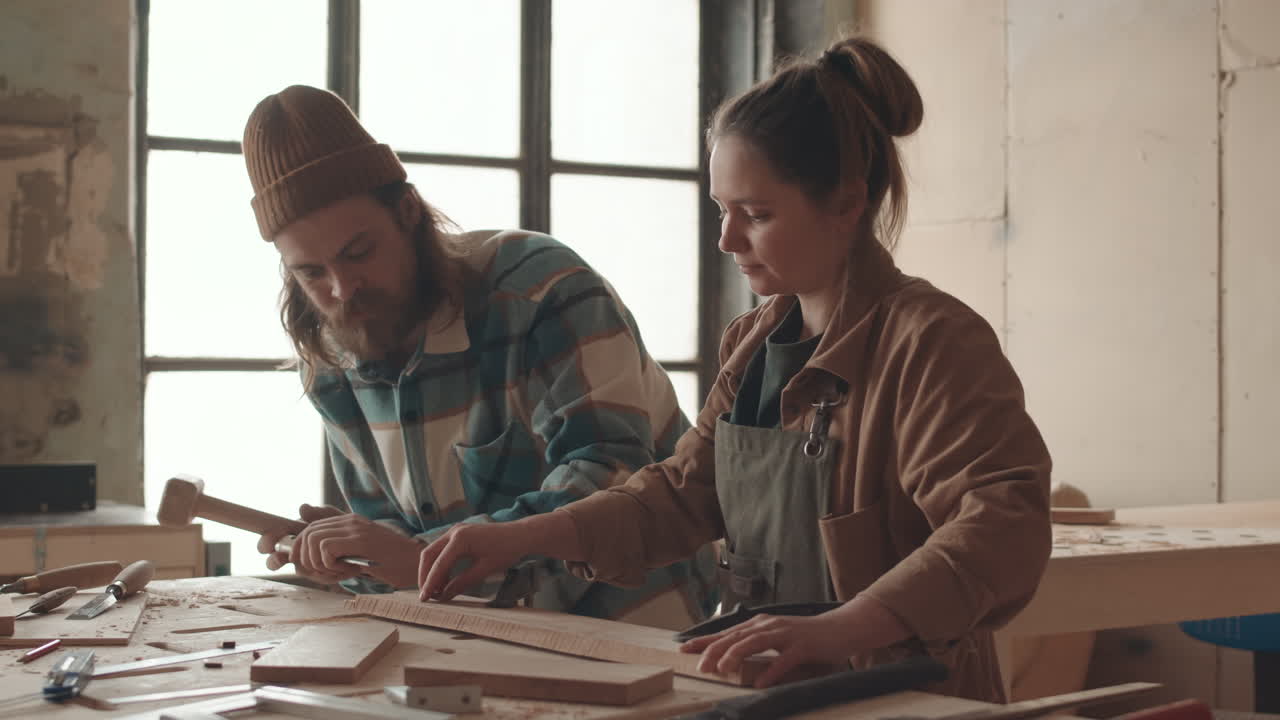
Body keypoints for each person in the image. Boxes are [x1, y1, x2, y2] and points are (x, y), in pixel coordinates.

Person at [417, 37, 1053, 701]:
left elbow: (1002, 528)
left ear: (845, 204)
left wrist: (841, 629)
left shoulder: (932, 341)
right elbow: (682, 493)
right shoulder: (754, 344)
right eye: (722, 211)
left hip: (908, 701)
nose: (727, 240)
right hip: (769, 690)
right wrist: (516, 537)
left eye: (756, 215)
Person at [240, 85, 716, 628]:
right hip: (477, 630)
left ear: (408, 212)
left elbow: (612, 480)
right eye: (311, 273)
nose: (343, 289)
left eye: (359, 253)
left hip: (638, 618)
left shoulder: (542, 290)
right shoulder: (331, 356)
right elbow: (405, 547)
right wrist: (355, 554)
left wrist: (422, 561)